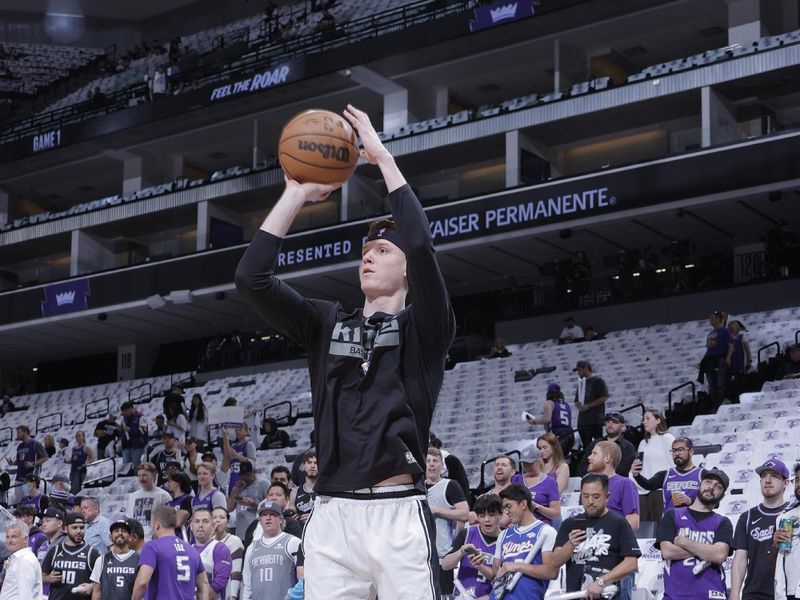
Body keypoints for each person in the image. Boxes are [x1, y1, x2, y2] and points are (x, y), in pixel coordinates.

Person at [235, 104, 455, 600]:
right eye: (364, 252)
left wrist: (381, 160)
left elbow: (420, 245)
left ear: (405, 270)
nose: (369, 255)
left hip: (397, 512)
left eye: (382, 251)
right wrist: (294, 194)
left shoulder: (426, 328)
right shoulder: (325, 321)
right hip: (331, 514)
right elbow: (251, 279)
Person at [552, 474, 641, 600]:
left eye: (596, 496)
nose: (590, 501)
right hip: (576, 595)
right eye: (585, 496)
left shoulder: (618, 523)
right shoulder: (570, 524)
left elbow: (631, 563)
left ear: (607, 497)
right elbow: (554, 562)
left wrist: (601, 581)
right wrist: (570, 545)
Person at [655, 468, 733, 600]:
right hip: (676, 595)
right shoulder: (673, 515)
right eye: (708, 482)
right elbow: (668, 551)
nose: (711, 487)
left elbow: (719, 555)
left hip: (712, 594)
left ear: (722, 496)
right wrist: (708, 549)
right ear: (699, 485)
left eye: (718, 486)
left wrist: (685, 542)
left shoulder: (723, 522)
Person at [731, 458, 791, 600]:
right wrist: (734, 594)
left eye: (774, 476)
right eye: (763, 476)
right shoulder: (747, 517)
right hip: (754, 593)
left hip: (788, 591)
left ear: (785, 483)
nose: (767, 480)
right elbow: (740, 559)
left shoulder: (794, 514)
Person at [486, 484, 557, 600]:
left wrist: (518, 566)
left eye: (509, 506)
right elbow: (495, 573)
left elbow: (551, 572)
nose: (506, 512)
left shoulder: (546, 531)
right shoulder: (503, 535)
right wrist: (479, 565)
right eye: (504, 508)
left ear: (523, 504)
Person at [131, 507, 208, 600]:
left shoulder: (152, 547)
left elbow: (142, 582)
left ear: (157, 525)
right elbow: (204, 584)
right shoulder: (192, 550)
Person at [441, 494, 502, 599]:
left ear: (501, 514)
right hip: (461, 595)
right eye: (482, 516)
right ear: (477, 517)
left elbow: (504, 582)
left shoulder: (507, 540)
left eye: (491, 515)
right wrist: (461, 552)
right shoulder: (467, 533)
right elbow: (445, 565)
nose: (487, 519)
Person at [426, 447, 469, 593]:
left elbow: (464, 513)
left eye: (435, 461)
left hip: (443, 553)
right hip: (421, 554)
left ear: (441, 465)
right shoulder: (417, 488)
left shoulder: (450, 485)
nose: (431, 464)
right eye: (428, 461)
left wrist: (438, 510)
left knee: (444, 594)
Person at [240, 500, 304, 600]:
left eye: (273, 514)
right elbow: (247, 585)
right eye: (264, 514)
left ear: (281, 519)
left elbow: (303, 579)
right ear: (260, 521)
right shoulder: (251, 548)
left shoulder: (293, 542)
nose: (268, 517)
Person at [631, 436, 702, 519]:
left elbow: (714, 503)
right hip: (670, 524)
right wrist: (636, 475)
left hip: (694, 524)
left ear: (691, 451)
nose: (676, 453)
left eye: (681, 449)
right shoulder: (665, 475)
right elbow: (648, 485)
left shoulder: (702, 474)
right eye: (674, 450)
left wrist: (691, 501)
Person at [42, 512, 101, 600]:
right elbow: (39, 578)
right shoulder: (55, 551)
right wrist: (47, 579)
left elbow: (104, 580)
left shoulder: (92, 553)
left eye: (81, 528)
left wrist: (91, 586)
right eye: (74, 528)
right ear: (66, 529)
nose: (79, 531)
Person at [586, 442, 639, 532]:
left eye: (594, 453)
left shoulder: (625, 484)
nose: (589, 457)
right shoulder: (588, 485)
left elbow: (633, 522)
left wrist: (611, 535)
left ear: (607, 458)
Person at [633, 409, 675, 522]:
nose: (644, 422)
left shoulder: (667, 438)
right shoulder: (643, 443)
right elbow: (639, 466)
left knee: (660, 525)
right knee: (643, 528)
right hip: (642, 490)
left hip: (660, 490)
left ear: (658, 420)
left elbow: (674, 463)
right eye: (643, 419)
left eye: (647, 418)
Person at [89, 519, 139, 600]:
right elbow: (96, 591)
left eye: (124, 531)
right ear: (110, 537)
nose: (120, 533)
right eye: (116, 531)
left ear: (130, 537)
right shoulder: (101, 560)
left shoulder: (139, 559)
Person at [510, 446, 561, 525]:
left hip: (541, 525)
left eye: (530, 464)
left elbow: (556, 513)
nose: (527, 467)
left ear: (539, 460)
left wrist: (535, 507)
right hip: (519, 525)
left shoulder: (549, 482)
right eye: (524, 464)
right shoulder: (516, 479)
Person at [244, 482, 303, 547]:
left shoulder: (292, 521)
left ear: (287, 499)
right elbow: (247, 550)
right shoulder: (254, 524)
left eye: (278, 495)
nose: (273, 498)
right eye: (271, 495)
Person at [191, 508, 233, 600]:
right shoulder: (187, 550)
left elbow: (220, 582)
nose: (200, 525)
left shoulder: (220, 548)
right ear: (191, 526)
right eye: (197, 521)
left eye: (205, 521)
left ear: (213, 525)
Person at [578, 413, 636, 478]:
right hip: (594, 483)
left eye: (614, 422)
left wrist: (597, 471)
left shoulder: (627, 447)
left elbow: (623, 470)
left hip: (616, 484)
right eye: (608, 422)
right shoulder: (595, 443)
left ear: (622, 426)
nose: (610, 425)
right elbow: (582, 466)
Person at [773, 461, 800, 600]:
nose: (799, 484)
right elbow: (774, 561)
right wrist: (775, 545)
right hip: (790, 591)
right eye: (797, 479)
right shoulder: (785, 516)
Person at [526, 383, 574, 458]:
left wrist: (534, 421)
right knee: (560, 460)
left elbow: (547, 419)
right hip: (570, 435)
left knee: (551, 460)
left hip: (559, 436)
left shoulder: (549, 403)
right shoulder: (567, 404)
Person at [126, 463, 172, 540]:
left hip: (155, 540)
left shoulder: (163, 496)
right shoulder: (133, 496)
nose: (141, 479)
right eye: (139, 476)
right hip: (136, 540)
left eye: (145, 475)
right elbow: (129, 519)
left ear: (153, 476)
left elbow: (169, 520)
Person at [0, 519, 42, 600]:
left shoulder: (25, 560)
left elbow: (25, 596)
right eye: (7, 537)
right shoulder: (19, 558)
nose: (9, 540)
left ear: (25, 539)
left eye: (14, 537)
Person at [227, 462, 269, 540]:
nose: (245, 477)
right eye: (243, 475)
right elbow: (228, 508)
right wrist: (236, 489)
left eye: (248, 474)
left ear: (254, 472)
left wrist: (253, 503)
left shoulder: (264, 484)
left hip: (257, 531)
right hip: (240, 532)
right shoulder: (238, 487)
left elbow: (270, 506)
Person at [699, 309, 732, 408]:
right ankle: (716, 405)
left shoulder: (724, 331)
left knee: (720, 383)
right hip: (710, 360)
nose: (710, 320)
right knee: (712, 385)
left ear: (718, 319)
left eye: (712, 318)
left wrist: (728, 357)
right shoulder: (710, 334)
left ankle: (721, 404)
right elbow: (709, 349)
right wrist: (702, 361)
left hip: (720, 359)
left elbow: (730, 345)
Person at [8, 426, 48, 503]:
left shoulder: (35, 443)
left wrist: (33, 464)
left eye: (19, 432)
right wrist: (14, 463)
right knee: (19, 501)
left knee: (29, 501)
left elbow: (45, 457)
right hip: (19, 476)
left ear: (25, 432)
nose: (17, 435)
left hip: (30, 478)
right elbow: (21, 459)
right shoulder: (20, 446)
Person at [574, 361, 609, 448]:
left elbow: (604, 397)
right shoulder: (581, 383)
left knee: (599, 445)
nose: (578, 372)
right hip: (583, 422)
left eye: (579, 370)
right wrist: (579, 406)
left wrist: (589, 405)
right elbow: (576, 401)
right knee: (587, 447)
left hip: (595, 420)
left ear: (585, 368)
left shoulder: (598, 381)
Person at [211, 508, 244, 600]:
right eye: (214, 517)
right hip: (210, 591)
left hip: (226, 593)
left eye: (222, 517)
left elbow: (236, 571)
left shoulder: (234, 541)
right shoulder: (208, 541)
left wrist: (233, 596)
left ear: (228, 523)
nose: (217, 520)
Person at [222, 425, 256, 495]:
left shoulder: (249, 444)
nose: (237, 432)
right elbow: (226, 461)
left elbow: (252, 463)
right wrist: (225, 435)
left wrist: (237, 455)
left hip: (244, 478)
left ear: (246, 431)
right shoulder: (233, 446)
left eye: (240, 430)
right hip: (233, 477)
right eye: (236, 430)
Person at [288, 450, 317, 522]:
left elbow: (332, 513)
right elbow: (291, 514)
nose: (312, 466)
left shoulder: (327, 490)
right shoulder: (295, 492)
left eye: (316, 463)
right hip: (302, 530)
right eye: (309, 462)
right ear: (303, 466)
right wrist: (292, 516)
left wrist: (314, 516)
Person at [120, 402, 147, 474]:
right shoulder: (124, 418)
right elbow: (123, 431)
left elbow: (143, 430)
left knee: (136, 465)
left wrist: (130, 429)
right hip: (126, 445)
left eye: (126, 411)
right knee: (125, 466)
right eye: (123, 411)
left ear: (131, 408)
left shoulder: (140, 417)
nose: (125, 413)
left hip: (137, 445)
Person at [166, 471, 194, 538]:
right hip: (169, 538)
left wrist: (165, 522)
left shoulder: (188, 499)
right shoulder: (168, 503)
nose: (168, 484)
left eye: (170, 481)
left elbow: (178, 521)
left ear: (178, 483)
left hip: (182, 538)